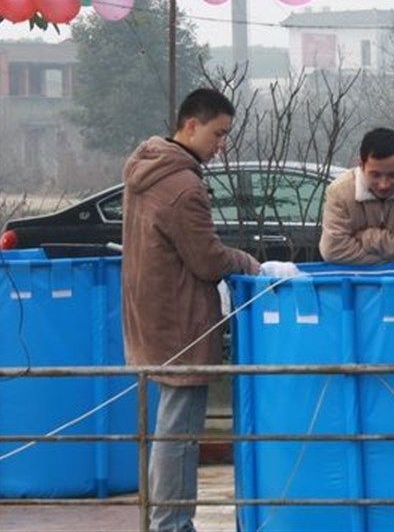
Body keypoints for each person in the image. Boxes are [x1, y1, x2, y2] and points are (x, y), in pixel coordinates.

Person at [122, 88, 259, 532]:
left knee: (166, 428)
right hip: (181, 321)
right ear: (191, 125)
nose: (221, 144)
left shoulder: (145, 168)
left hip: (148, 314)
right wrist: (250, 262)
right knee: (179, 435)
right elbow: (207, 259)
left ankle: (164, 520)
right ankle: (173, 523)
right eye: (218, 133)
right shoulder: (183, 186)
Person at [319, 127, 394, 264]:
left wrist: (368, 238)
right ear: (361, 165)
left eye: (393, 175)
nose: (384, 184)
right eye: (375, 175)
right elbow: (333, 250)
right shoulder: (340, 192)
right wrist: (389, 261)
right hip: (356, 281)